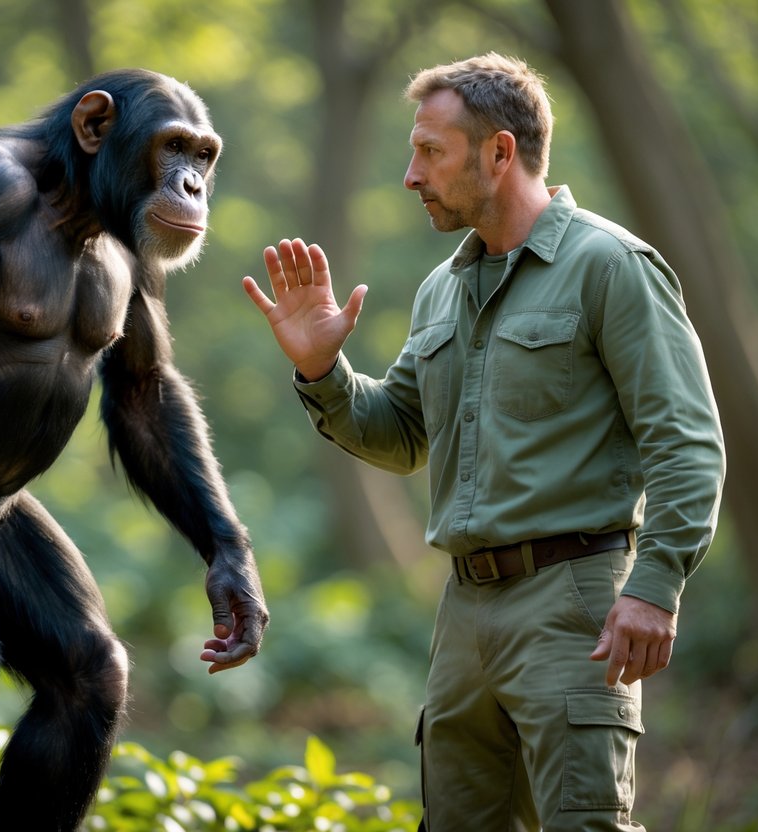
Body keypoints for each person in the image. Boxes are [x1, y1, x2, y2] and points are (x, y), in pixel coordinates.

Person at [242, 53, 725, 831]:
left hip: (575, 603)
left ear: (499, 152)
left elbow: (687, 441)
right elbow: (400, 436)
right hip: (462, 614)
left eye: (430, 151)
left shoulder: (610, 267)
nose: (410, 174)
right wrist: (322, 369)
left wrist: (654, 584)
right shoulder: (442, 288)